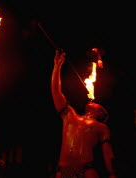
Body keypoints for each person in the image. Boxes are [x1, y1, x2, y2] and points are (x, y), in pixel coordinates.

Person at [51, 49, 117, 178]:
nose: (94, 102)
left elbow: (108, 154)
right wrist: (57, 65)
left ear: (101, 113)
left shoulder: (101, 127)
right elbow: (56, 91)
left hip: (86, 171)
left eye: (98, 105)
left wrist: (112, 174)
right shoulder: (70, 116)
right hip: (62, 171)